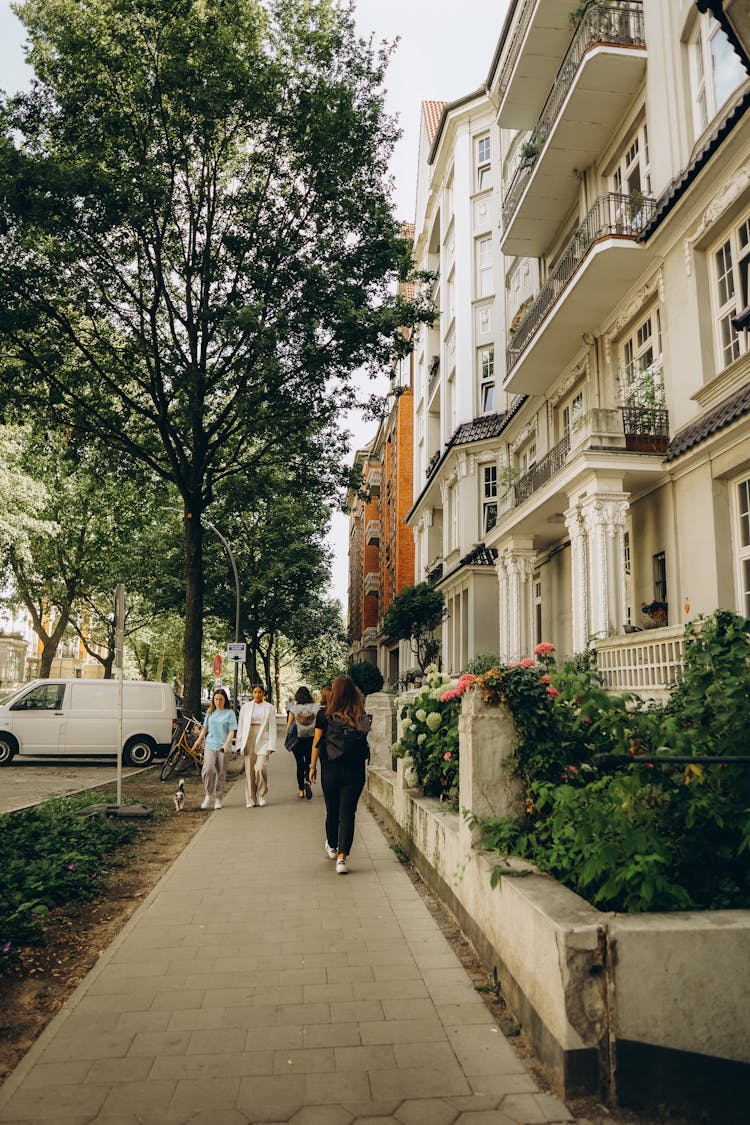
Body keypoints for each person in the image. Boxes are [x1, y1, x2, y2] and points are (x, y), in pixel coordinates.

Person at [309, 675, 369, 875]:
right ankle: (342, 859)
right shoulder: (362, 715)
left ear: (333, 692)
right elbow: (365, 738)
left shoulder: (324, 715)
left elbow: (316, 742)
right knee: (348, 813)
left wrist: (312, 767)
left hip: (331, 769)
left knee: (332, 811)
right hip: (355, 770)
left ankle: (333, 846)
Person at [194, 687, 237, 810]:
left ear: (225, 700)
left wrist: (226, 744)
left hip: (224, 747)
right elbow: (205, 728)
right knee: (208, 769)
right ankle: (208, 795)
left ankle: (218, 798)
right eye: (216, 699)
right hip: (210, 744)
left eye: (221, 699)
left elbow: (232, 731)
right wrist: (199, 740)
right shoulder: (210, 712)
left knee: (221, 773)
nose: (218, 702)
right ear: (213, 700)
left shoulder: (230, 713)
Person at [235, 683, 277, 807]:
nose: (257, 694)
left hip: (263, 738)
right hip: (249, 738)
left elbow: (272, 727)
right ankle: (250, 799)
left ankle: (261, 794)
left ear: (263, 693)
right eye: (255, 692)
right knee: (249, 771)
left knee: (260, 768)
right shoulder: (246, 707)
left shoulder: (269, 707)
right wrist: (239, 744)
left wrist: (271, 745)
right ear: (252, 693)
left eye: (259, 692)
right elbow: (241, 726)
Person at [285, 686, 317, 799]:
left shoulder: (294, 708)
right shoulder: (315, 707)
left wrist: (287, 735)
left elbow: (289, 726)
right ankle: (308, 782)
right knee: (309, 762)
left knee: (299, 764)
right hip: (311, 739)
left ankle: (301, 790)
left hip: (297, 741)